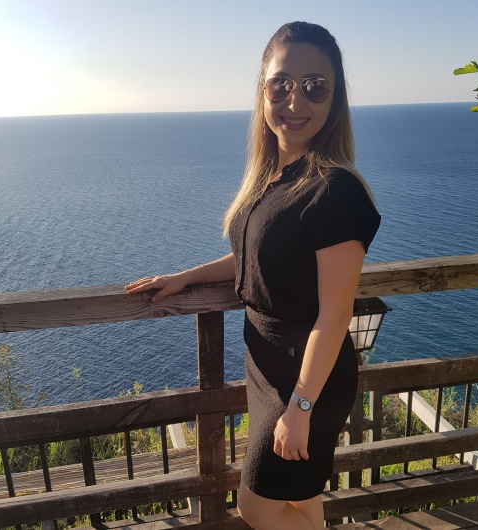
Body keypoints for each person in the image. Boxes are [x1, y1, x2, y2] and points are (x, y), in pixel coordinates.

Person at [125, 21, 380, 530]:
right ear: (263, 90)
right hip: (269, 367)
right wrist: (187, 277)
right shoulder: (275, 177)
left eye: (314, 85)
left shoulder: (334, 191)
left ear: (335, 96)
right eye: (280, 84)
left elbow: (334, 317)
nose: (294, 100)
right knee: (300, 498)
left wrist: (300, 408)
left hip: (306, 378)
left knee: (257, 505)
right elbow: (256, 257)